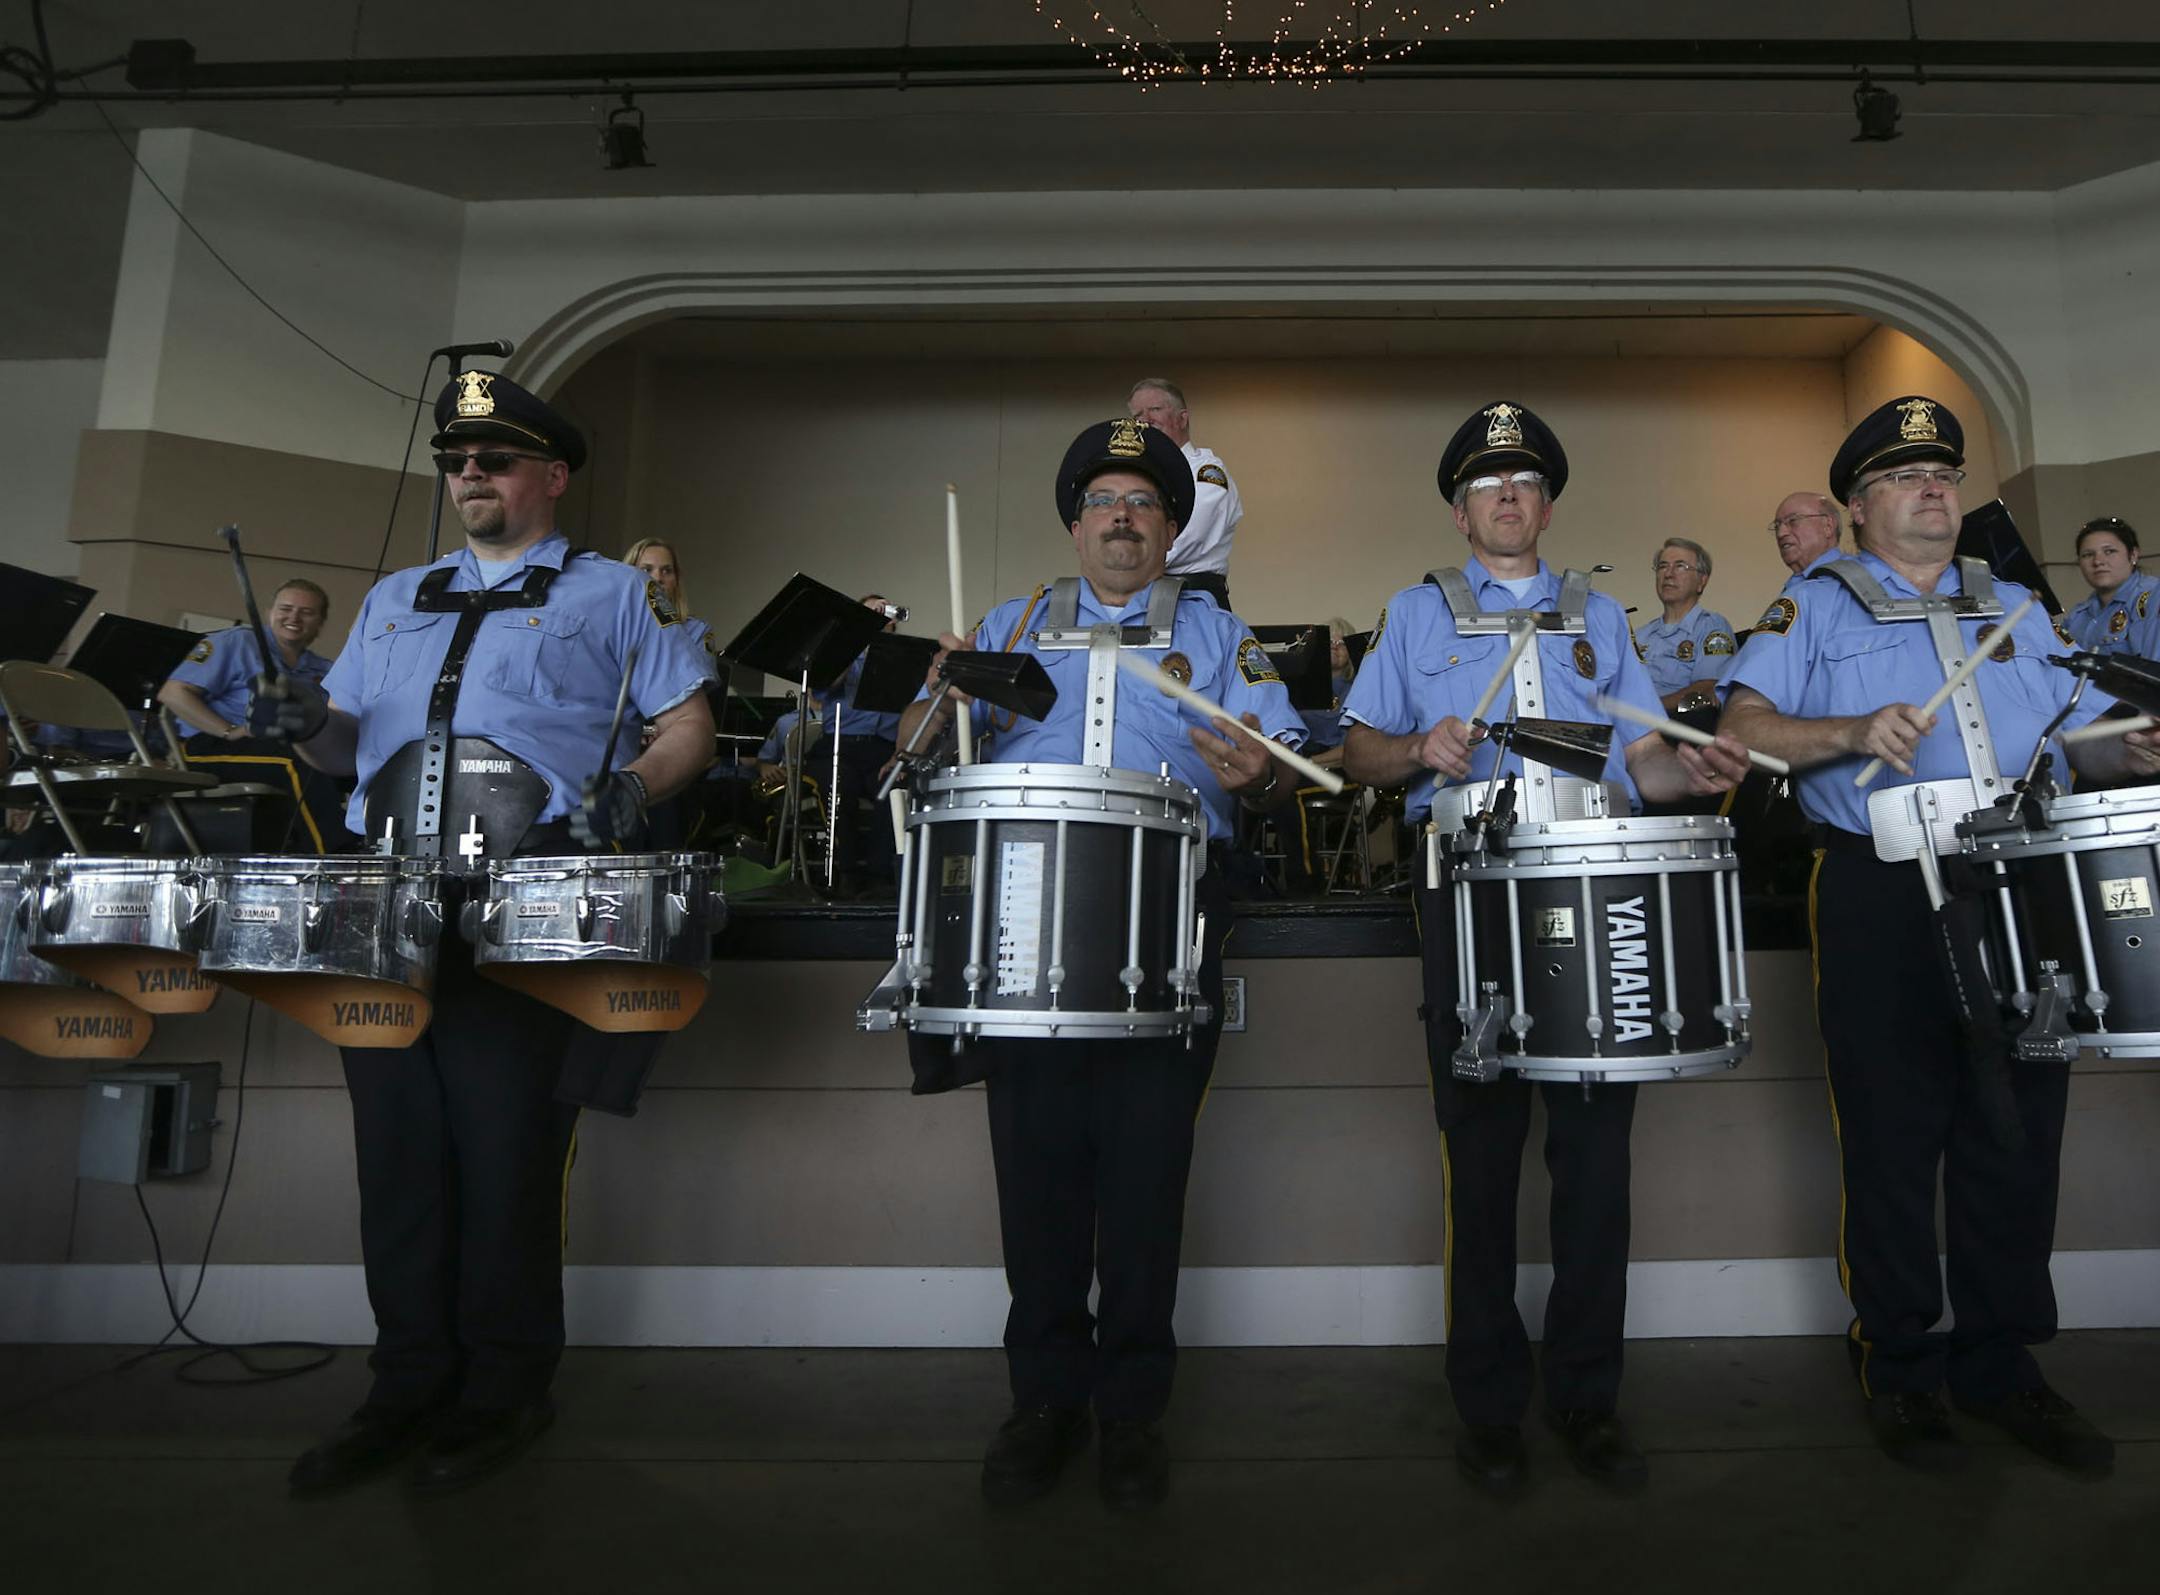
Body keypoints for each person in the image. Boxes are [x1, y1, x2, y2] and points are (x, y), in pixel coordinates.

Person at [267, 369, 714, 1498]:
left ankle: (504, 1387)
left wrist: (636, 786)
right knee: (400, 1158)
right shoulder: (394, 596)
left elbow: (688, 724)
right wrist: (308, 719)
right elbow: (343, 748)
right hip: (387, 903)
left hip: (527, 900)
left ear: (551, 477)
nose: (471, 474)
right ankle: (405, 1386)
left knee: (507, 1152)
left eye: (496, 459)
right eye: (457, 460)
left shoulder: (615, 593)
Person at [1721, 395, 2156, 1477]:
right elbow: (1743, 732)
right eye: (1909, 478)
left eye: (1947, 477)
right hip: (1880, 881)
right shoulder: (1812, 603)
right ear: (1861, 507)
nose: (1935, 491)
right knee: (1893, 1130)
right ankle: (1903, 1364)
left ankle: (2002, 1363)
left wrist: (2126, 751)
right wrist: (1849, 729)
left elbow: (2064, 743)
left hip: (2018, 881)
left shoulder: (2014, 604)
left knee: (2019, 1129)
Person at [1340, 400, 1747, 1499]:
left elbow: (1645, 761)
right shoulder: (1414, 613)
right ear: (1461, 510)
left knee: (1596, 1164)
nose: (1507, 495)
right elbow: (1358, 751)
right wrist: (1417, 745)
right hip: (1466, 894)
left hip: (1592, 885)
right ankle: (1487, 1402)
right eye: (1487, 483)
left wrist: (1692, 771)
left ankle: (1586, 1396)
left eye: (1524, 480)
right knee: (1477, 1156)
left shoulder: (1601, 616)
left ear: (1548, 504)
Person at [898, 417, 1301, 1510]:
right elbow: (919, 749)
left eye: (1144, 504)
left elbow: (1281, 773)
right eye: (1104, 502)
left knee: (1143, 1173)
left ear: (1173, 527)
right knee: (1035, 1173)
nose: (1123, 519)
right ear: (1077, 522)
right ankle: (1043, 1401)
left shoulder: (1220, 636)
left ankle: (1130, 1411)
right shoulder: (1012, 622)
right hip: (1023, 918)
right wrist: (934, 699)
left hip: (1172, 915)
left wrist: (1255, 775)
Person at [157, 579, 342, 849]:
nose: (294, 617)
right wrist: (229, 730)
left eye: (307, 612)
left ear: (320, 623)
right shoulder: (237, 642)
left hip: (282, 748)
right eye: (286, 608)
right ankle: (335, 856)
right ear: (270, 613)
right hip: (210, 746)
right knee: (296, 763)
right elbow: (173, 693)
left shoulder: (322, 669)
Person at [806, 595, 904, 898]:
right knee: (840, 788)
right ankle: (845, 873)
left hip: (882, 749)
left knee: (894, 793)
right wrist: (857, 635)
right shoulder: (840, 653)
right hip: (839, 747)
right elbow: (823, 688)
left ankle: (878, 878)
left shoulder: (902, 658)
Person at [1128, 378, 1241, 610]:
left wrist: (1126, 565)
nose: (1145, 420)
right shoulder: (1137, 477)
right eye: (1137, 415)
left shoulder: (1206, 472)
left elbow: (1189, 535)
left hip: (1195, 597)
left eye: (1155, 410)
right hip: (1146, 597)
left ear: (1182, 418)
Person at [1632, 538, 1736, 719]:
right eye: (1663, 566)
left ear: (1701, 581)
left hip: (1672, 728)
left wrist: (1645, 711)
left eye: (1680, 566)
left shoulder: (1711, 627)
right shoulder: (1641, 635)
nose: (1669, 574)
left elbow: (1708, 690)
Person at [623, 538, 720, 677]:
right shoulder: (613, 626)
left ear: (676, 581)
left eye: (667, 571)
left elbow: (697, 687)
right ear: (628, 576)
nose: (657, 578)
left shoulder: (698, 631)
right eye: (646, 569)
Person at [2062, 517, 2157, 653]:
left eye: (2109, 551)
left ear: (2133, 555)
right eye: (2088, 555)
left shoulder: (2152, 599)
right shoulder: (2077, 616)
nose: (2098, 561)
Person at [1768, 491, 1844, 576]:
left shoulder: (1855, 578)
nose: (1780, 533)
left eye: (1793, 520)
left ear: (1828, 526)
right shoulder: (1796, 584)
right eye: (1777, 526)